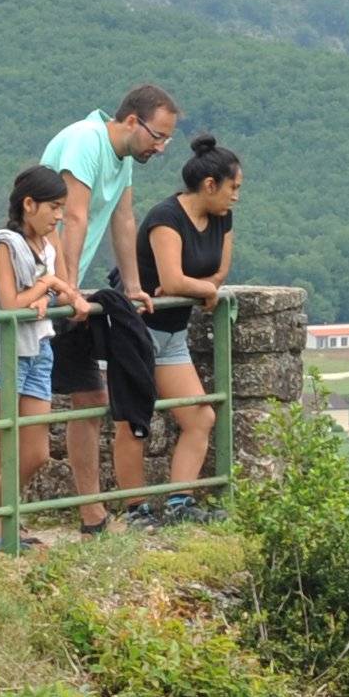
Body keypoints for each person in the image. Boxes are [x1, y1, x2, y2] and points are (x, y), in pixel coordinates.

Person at [39, 84, 182, 533]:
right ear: (132, 121)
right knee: (24, 415)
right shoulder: (86, 140)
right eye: (157, 136)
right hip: (42, 287)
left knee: (91, 399)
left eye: (166, 140)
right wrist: (71, 289)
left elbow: (123, 219)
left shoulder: (121, 159)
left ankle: (92, 514)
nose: (160, 148)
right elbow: (73, 216)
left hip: (64, 292)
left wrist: (135, 286)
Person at [0, 165, 85, 550]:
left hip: (39, 348)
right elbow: (10, 302)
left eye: (62, 207)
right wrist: (46, 286)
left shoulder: (48, 247)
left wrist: (59, 294)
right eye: (53, 207)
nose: (58, 216)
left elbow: (64, 292)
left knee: (35, 451)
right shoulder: (4, 243)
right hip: (10, 350)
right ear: (28, 204)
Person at [135, 137, 240, 509]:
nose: (236, 197)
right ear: (210, 185)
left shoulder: (222, 218)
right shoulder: (165, 218)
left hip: (173, 332)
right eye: (233, 188)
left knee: (200, 417)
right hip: (140, 330)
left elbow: (220, 272)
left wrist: (199, 287)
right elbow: (174, 279)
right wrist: (200, 288)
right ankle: (134, 510)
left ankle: (178, 502)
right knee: (131, 422)